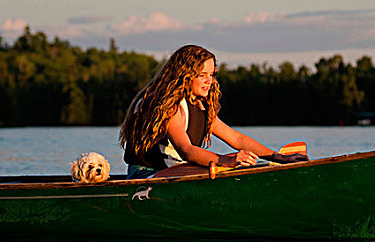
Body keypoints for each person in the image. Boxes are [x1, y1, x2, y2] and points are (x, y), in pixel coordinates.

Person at [119, 45, 308, 179]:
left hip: (177, 171)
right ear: (184, 76)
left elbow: (237, 139)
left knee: (251, 165)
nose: (209, 81)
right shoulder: (167, 105)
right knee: (220, 169)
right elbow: (187, 151)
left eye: (211, 74)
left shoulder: (200, 105)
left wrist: (277, 157)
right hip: (145, 175)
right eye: (202, 75)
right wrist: (225, 160)